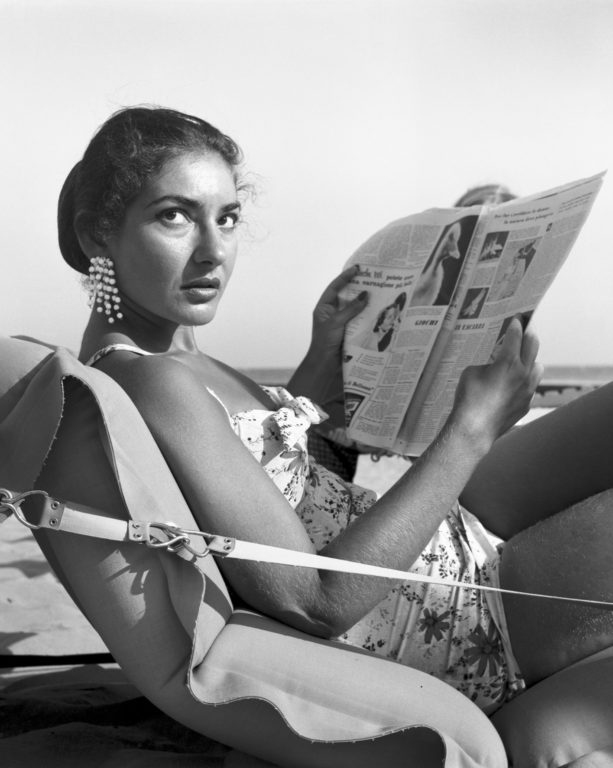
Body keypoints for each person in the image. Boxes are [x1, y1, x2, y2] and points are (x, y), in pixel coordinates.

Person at [58, 106, 613, 716]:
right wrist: (471, 429)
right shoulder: (152, 380)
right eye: (175, 217)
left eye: (228, 217)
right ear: (96, 235)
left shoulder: (165, 360)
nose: (213, 251)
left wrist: (320, 363)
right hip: (454, 612)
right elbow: (315, 600)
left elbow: (270, 482)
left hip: (432, 540)